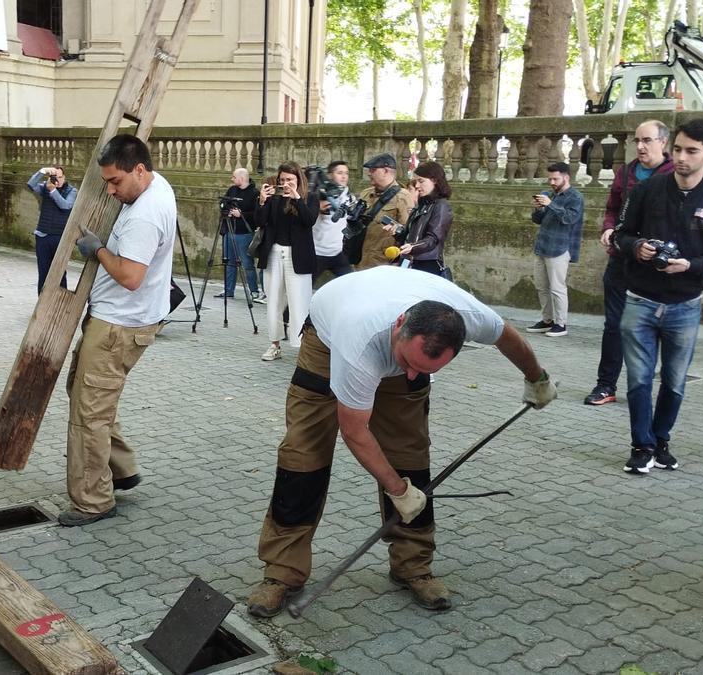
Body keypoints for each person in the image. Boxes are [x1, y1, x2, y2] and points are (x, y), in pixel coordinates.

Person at [246, 266, 557, 616]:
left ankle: (413, 566)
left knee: (411, 458)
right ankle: (281, 573)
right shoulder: (359, 340)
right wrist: (399, 491)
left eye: (425, 370)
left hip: (387, 330)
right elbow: (355, 432)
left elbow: (507, 337)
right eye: (408, 363)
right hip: (328, 342)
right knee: (303, 458)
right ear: (398, 328)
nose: (411, 375)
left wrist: (538, 378)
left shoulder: (469, 318)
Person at [62, 135, 175, 526]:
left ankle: (93, 500)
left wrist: (97, 250)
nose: (110, 191)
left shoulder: (145, 214)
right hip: (127, 320)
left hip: (119, 324)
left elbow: (130, 276)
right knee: (88, 394)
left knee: (88, 412)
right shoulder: (156, 185)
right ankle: (122, 468)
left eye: (115, 182)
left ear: (140, 170)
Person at [614, 118, 703, 475]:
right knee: (638, 378)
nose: (681, 157)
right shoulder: (646, 190)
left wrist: (690, 266)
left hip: (685, 305)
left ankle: (661, 440)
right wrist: (637, 246)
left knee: (674, 380)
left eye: (691, 151)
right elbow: (620, 234)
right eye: (678, 148)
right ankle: (641, 446)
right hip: (640, 299)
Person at [585, 120, 674, 406]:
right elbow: (612, 208)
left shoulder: (675, 174)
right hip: (621, 260)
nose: (640, 146)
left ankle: (643, 388)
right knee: (614, 325)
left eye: (647, 140)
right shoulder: (626, 172)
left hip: (655, 266)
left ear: (663, 142)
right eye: (637, 140)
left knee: (649, 328)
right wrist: (608, 229)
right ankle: (605, 385)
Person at [255, 162, 317, 362]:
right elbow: (259, 221)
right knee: (274, 301)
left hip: (298, 256)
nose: (286, 184)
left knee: (300, 301)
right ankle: (274, 344)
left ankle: (301, 348)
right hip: (274, 253)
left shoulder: (310, 198)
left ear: (299, 180)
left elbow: (309, 220)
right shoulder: (275, 200)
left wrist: (297, 198)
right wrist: (263, 201)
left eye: (290, 180)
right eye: (282, 180)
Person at [525, 162, 584, 338]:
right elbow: (537, 220)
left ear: (566, 177)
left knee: (557, 288)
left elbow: (569, 218)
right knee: (541, 287)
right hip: (542, 246)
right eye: (549, 178)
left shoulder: (575, 197)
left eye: (555, 178)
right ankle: (547, 320)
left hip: (560, 248)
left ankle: (561, 323)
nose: (551, 181)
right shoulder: (549, 194)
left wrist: (550, 204)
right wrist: (538, 209)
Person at [387, 161, 454, 277]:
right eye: (416, 181)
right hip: (409, 262)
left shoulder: (441, 206)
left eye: (421, 181)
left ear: (435, 180)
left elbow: (433, 239)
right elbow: (409, 235)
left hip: (427, 265)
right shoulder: (422, 205)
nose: (417, 186)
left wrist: (413, 247)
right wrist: (397, 231)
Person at [353, 153, 416, 270]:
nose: (369, 173)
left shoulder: (403, 197)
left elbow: (408, 233)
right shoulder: (366, 194)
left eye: (373, 170)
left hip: (383, 263)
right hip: (360, 259)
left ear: (386, 171)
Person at [26, 165, 77, 293]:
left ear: (64, 177)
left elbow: (66, 206)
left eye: (60, 177)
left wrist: (53, 191)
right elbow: (31, 184)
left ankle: (59, 305)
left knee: (59, 273)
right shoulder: (45, 187)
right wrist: (42, 171)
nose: (58, 180)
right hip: (43, 236)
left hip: (60, 237)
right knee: (43, 272)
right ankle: (42, 305)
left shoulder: (72, 191)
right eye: (55, 177)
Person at [215, 168, 263, 302]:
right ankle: (229, 290)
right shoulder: (232, 190)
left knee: (247, 264)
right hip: (229, 231)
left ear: (241, 178)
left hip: (245, 233)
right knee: (229, 262)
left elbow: (256, 214)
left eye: (234, 177)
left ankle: (254, 291)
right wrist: (227, 210)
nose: (232, 179)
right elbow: (223, 203)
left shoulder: (255, 193)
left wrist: (240, 214)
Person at [311, 161, 353, 283]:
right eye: (339, 173)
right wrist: (316, 207)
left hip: (337, 252)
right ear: (329, 175)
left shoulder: (349, 197)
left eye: (346, 173)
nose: (344, 176)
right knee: (303, 291)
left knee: (350, 284)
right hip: (317, 252)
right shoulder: (318, 196)